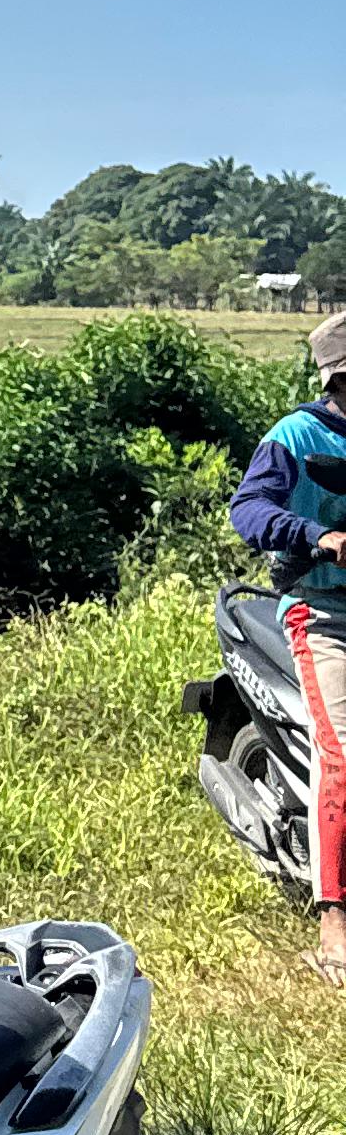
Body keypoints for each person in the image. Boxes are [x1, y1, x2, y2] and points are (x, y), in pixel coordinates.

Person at [226, 307, 346, 982]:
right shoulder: (295, 436)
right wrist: (319, 536)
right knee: (345, 755)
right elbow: (249, 511)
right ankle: (335, 921)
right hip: (323, 613)